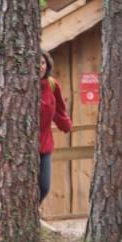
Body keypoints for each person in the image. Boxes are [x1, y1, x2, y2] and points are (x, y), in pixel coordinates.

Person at [39, 51, 72, 203]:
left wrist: (66, 125)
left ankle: (31, 213)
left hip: (44, 145)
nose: (39, 67)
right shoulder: (21, 87)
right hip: (22, 145)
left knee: (44, 187)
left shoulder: (52, 85)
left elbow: (59, 110)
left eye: (42, 63)